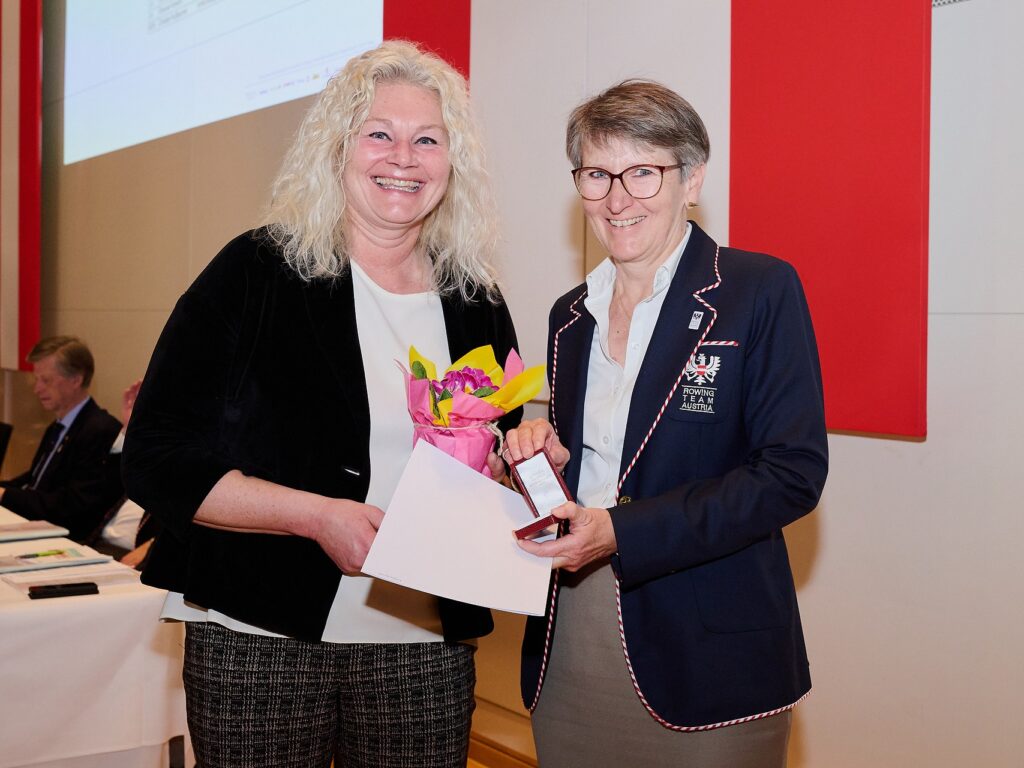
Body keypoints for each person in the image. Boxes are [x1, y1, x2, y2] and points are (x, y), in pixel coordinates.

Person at [123, 41, 521, 768]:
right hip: (258, 635)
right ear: (336, 148)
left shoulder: (474, 299)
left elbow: (503, 448)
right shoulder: (256, 271)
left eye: (427, 139)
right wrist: (316, 515)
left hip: (426, 645)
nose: (403, 156)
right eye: (379, 133)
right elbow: (156, 458)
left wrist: (530, 459)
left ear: (450, 162)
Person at [496, 80, 828, 767]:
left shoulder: (757, 291)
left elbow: (790, 476)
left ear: (693, 178)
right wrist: (539, 463)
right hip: (572, 635)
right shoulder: (570, 315)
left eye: (643, 172)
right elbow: (595, 474)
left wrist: (623, 529)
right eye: (597, 174)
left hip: (711, 650)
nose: (618, 199)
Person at [0, 336, 122, 541]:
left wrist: (6, 495)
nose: (36, 388)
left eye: (45, 380)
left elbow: (73, 504)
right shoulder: (59, 425)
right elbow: (34, 480)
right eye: (36, 379)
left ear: (76, 380)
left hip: (66, 537)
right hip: (40, 526)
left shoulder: (100, 430)